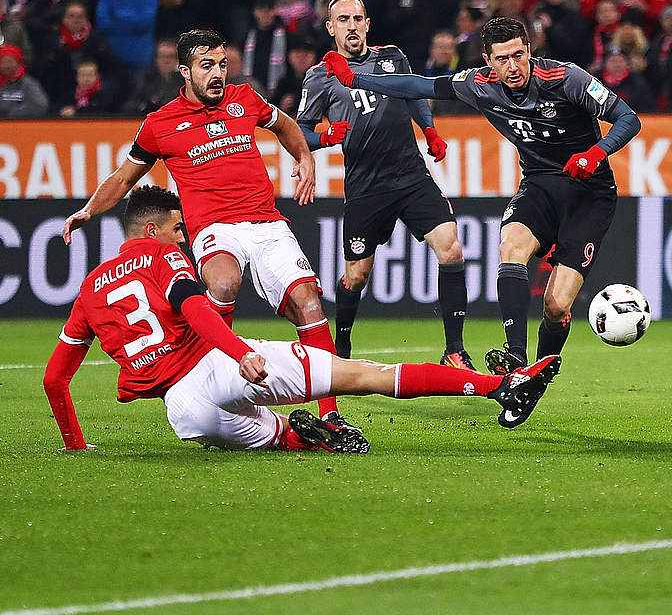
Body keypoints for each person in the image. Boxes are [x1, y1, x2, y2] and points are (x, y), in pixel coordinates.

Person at [44, 186, 561, 453]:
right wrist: (241, 352)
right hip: (216, 367)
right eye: (178, 230)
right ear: (153, 229)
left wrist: (76, 444)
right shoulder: (161, 258)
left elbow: (54, 379)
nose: (183, 237)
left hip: (183, 414)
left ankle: (305, 438)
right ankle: (501, 387)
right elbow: (196, 308)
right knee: (365, 376)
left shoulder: (90, 287)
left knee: (277, 436)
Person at [60, 29, 354, 431]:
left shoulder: (244, 99)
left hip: (266, 222)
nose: (218, 73)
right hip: (214, 227)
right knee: (223, 282)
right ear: (185, 72)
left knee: (309, 304)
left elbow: (285, 125)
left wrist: (305, 156)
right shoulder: (159, 124)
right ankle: (216, 381)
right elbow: (125, 177)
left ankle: (331, 415)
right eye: (207, 66)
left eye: (222, 64)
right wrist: (88, 210)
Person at [319, 17, 641, 375]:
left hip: (589, 192)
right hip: (539, 184)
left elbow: (628, 119)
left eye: (519, 55)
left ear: (529, 51)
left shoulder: (567, 78)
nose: (513, 66)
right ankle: (516, 357)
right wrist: (354, 79)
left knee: (555, 305)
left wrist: (596, 153)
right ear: (488, 60)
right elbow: (417, 85)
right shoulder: (479, 84)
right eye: (502, 59)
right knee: (511, 248)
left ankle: (540, 374)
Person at [296, 0, 467, 367]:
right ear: (331, 28)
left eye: (358, 18)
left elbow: (413, 96)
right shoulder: (319, 77)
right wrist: (325, 138)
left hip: (410, 175)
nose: (352, 25)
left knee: (451, 250)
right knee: (356, 276)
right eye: (343, 19)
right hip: (365, 186)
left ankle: (455, 349)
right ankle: (341, 345)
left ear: (368, 24)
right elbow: (299, 132)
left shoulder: (392, 57)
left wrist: (430, 130)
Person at [0, 43, 48, 118]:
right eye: (3, 62)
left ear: (18, 63)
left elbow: (39, 106)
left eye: (10, 62)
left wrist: (11, 114)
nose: (6, 66)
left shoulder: (29, 84)